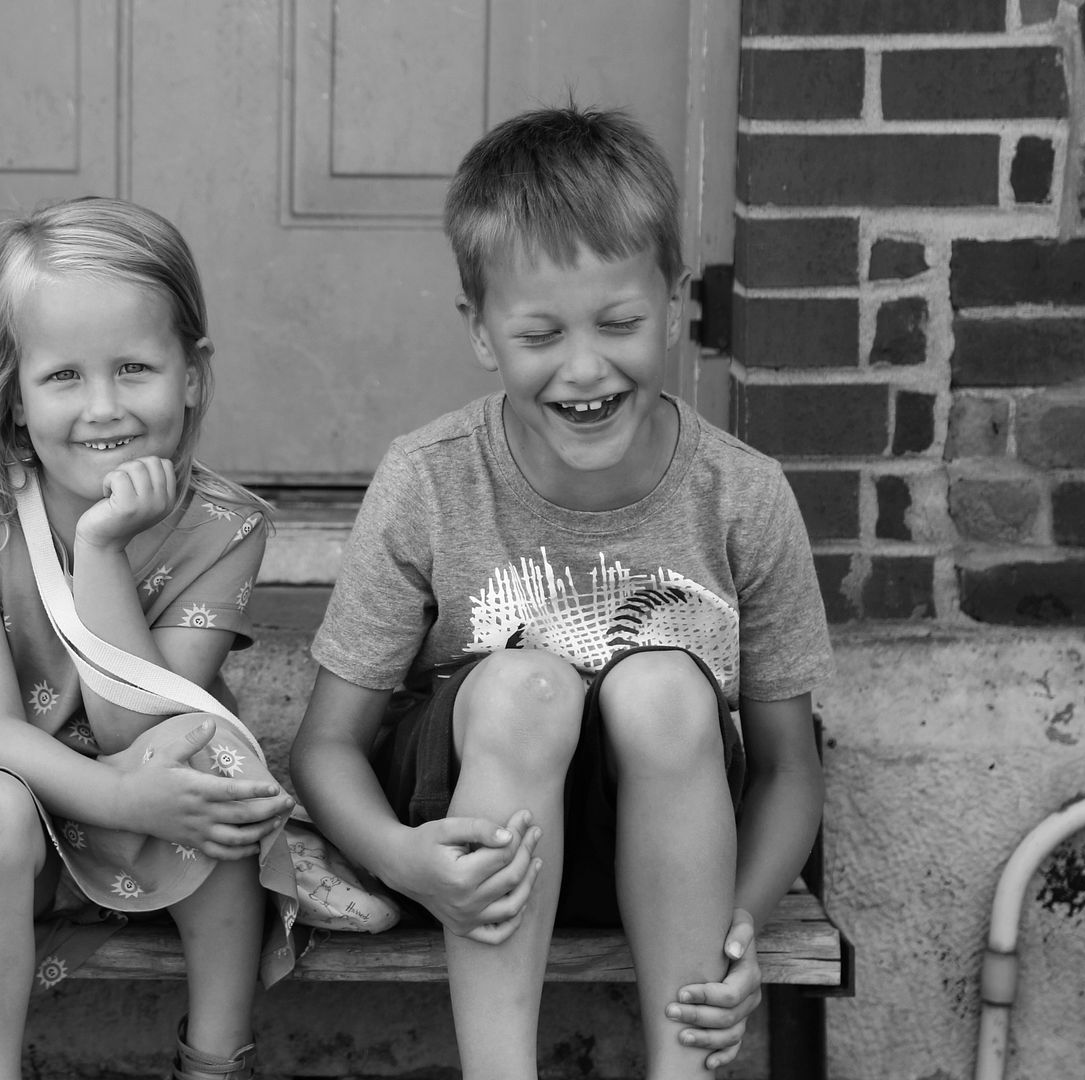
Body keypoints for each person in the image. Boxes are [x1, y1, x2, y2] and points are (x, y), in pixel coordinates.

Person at [290, 105, 834, 1079]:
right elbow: (326, 746)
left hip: (672, 866)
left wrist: (741, 924)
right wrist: (398, 856)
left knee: (664, 686)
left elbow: (791, 767)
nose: (585, 368)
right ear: (481, 331)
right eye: (540, 333)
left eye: (620, 323)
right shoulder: (431, 479)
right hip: (474, 860)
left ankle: (682, 1067)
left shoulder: (742, 495)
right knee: (525, 685)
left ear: (674, 304)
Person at [0, 197, 298, 1080]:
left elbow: (145, 724)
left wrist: (100, 551)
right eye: (63, 376)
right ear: (15, 397)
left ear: (192, 375)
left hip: (154, 793)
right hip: (1, 807)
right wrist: (120, 797)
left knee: (208, 777)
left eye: (134, 367)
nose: (104, 407)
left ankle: (216, 1061)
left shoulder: (225, 527)